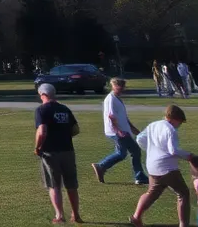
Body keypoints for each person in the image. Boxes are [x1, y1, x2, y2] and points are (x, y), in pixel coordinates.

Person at [133, 104, 198, 227]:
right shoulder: (170, 130)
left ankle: (136, 217)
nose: (179, 126)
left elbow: (139, 138)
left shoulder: (153, 125)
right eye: (180, 122)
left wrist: (151, 151)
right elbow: (173, 151)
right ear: (174, 118)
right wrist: (189, 156)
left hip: (152, 166)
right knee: (183, 193)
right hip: (167, 168)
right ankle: (183, 224)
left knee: (152, 193)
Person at [34, 82, 82, 224]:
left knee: (54, 185)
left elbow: (42, 131)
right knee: (71, 184)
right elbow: (76, 129)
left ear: (43, 94)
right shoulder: (65, 109)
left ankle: (60, 215)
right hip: (68, 150)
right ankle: (76, 214)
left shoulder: (41, 110)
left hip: (50, 152)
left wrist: (37, 147)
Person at [92, 77, 146, 186]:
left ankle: (139, 177)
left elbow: (123, 118)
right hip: (116, 132)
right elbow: (111, 116)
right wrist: (118, 130)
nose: (122, 89)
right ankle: (101, 166)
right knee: (123, 153)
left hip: (123, 131)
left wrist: (134, 130)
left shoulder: (117, 99)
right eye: (119, 86)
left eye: (123, 86)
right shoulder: (111, 98)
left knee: (133, 151)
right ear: (114, 86)